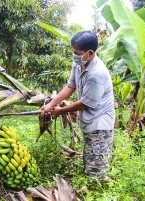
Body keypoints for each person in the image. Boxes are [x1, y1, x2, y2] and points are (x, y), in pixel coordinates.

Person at [40, 30, 115, 182]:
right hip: (89, 122)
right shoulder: (79, 62)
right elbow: (70, 87)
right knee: (90, 162)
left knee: (95, 172)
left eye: (78, 53)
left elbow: (85, 103)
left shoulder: (97, 74)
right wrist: (50, 104)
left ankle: (99, 190)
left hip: (100, 124)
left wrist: (61, 110)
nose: (74, 56)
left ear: (90, 53)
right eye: (73, 52)